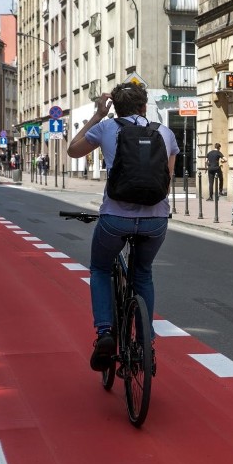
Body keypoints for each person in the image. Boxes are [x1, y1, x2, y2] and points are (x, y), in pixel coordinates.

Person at [67, 82, 179, 371]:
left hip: (115, 217)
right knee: (142, 272)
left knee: (101, 269)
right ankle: (145, 343)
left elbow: (73, 151)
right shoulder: (164, 132)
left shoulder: (106, 128)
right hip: (155, 220)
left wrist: (96, 115)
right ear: (144, 106)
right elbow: (167, 179)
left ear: (114, 107)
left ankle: (105, 332)